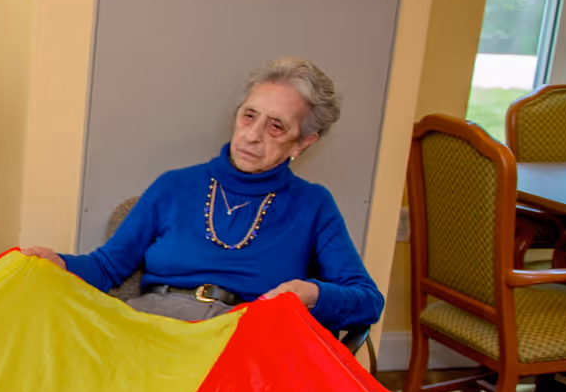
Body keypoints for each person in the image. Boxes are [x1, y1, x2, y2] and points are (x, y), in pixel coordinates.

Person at [20, 57, 383, 332]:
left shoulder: (313, 205)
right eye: (249, 116)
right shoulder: (174, 186)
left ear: (303, 142)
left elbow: (367, 300)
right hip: (157, 328)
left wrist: (311, 294)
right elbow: (106, 266)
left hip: (244, 342)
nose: (252, 136)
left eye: (276, 126)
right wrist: (62, 264)